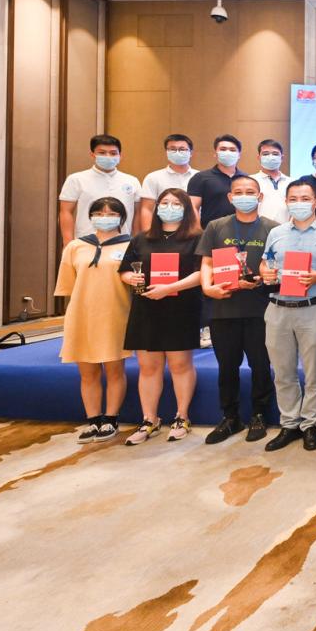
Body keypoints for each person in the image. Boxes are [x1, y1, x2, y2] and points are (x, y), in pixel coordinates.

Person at [118, 188, 203, 444]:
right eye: (164, 202)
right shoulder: (142, 238)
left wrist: (170, 288)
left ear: (187, 209)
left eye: (176, 203)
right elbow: (124, 270)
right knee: (148, 367)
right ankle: (149, 419)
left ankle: (182, 416)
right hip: (146, 308)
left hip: (181, 308)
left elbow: (202, 273)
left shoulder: (197, 238)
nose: (169, 207)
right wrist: (130, 278)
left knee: (180, 365)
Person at [198, 174, 276, 444]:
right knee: (226, 366)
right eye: (239, 192)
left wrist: (264, 278)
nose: (244, 196)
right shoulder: (216, 226)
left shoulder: (272, 228)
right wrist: (207, 287)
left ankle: (259, 415)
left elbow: (275, 265)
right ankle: (230, 417)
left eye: (250, 192)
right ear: (230, 197)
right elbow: (207, 262)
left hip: (260, 309)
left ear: (260, 197)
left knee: (260, 365)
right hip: (223, 307)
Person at [259, 179, 316, 452]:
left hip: (312, 309)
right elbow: (265, 262)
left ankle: (310, 424)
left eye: (305, 198)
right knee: (283, 371)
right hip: (277, 308)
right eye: (293, 199)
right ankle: (289, 423)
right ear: (286, 202)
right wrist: (266, 272)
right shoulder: (276, 232)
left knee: (314, 370)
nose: (299, 203)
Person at [53, 197, 132, 443]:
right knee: (87, 373)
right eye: (99, 213)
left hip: (115, 314)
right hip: (82, 315)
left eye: (111, 213)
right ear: (90, 217)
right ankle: (93, 420)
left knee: (115, 370)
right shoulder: (75, 246)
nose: (104, 217)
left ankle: (111, 418)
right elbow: (68, 286)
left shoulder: (131, 245)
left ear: (122, 217)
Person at [59, 134, 141, 242]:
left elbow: (138, 214)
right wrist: (68, 243)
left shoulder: (132, 181)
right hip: (86, 241)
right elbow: (66, 212)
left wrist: (136, 242)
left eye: (113, 153)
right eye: (102, 153)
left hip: (123, 242)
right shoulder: (76, 179)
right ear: (92, 155)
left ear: (120, 156)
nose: (108, 156)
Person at [137, 134, 198, 233]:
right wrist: (147, 235)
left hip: (192, 232)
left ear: (191, 153)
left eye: (182, 149)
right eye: (172, 149)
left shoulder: (200, 177)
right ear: (166, 152)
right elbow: (147, 209)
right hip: (160, 232)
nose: (177, 152)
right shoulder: (153, 177)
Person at [188, 134, 244, 229]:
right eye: (223, 149)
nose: (228, 152)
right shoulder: (200, 177)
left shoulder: (245, 178)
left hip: (240, 231)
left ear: (239, 155)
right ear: (215, 154)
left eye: (232, 150)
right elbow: (193, 208)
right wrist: (198, 231)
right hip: (210, 231)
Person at [254, 139, 290, 225]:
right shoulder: (251, 181)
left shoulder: (292, 182)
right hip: (258, 230)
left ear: (282, 158)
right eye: (265, 154)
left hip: (285, 230)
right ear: (259, 157)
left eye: (275, 154)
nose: (270, 157)